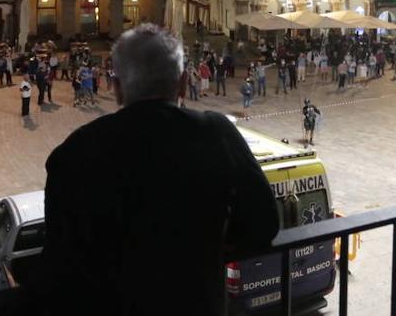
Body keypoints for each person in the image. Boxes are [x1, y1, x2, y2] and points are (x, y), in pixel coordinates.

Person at [41, 24, 277, 314]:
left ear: (116, 88)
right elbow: (264, 223)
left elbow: (58, 261)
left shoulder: (74, 151)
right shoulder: (216, 133)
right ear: (181, 84)